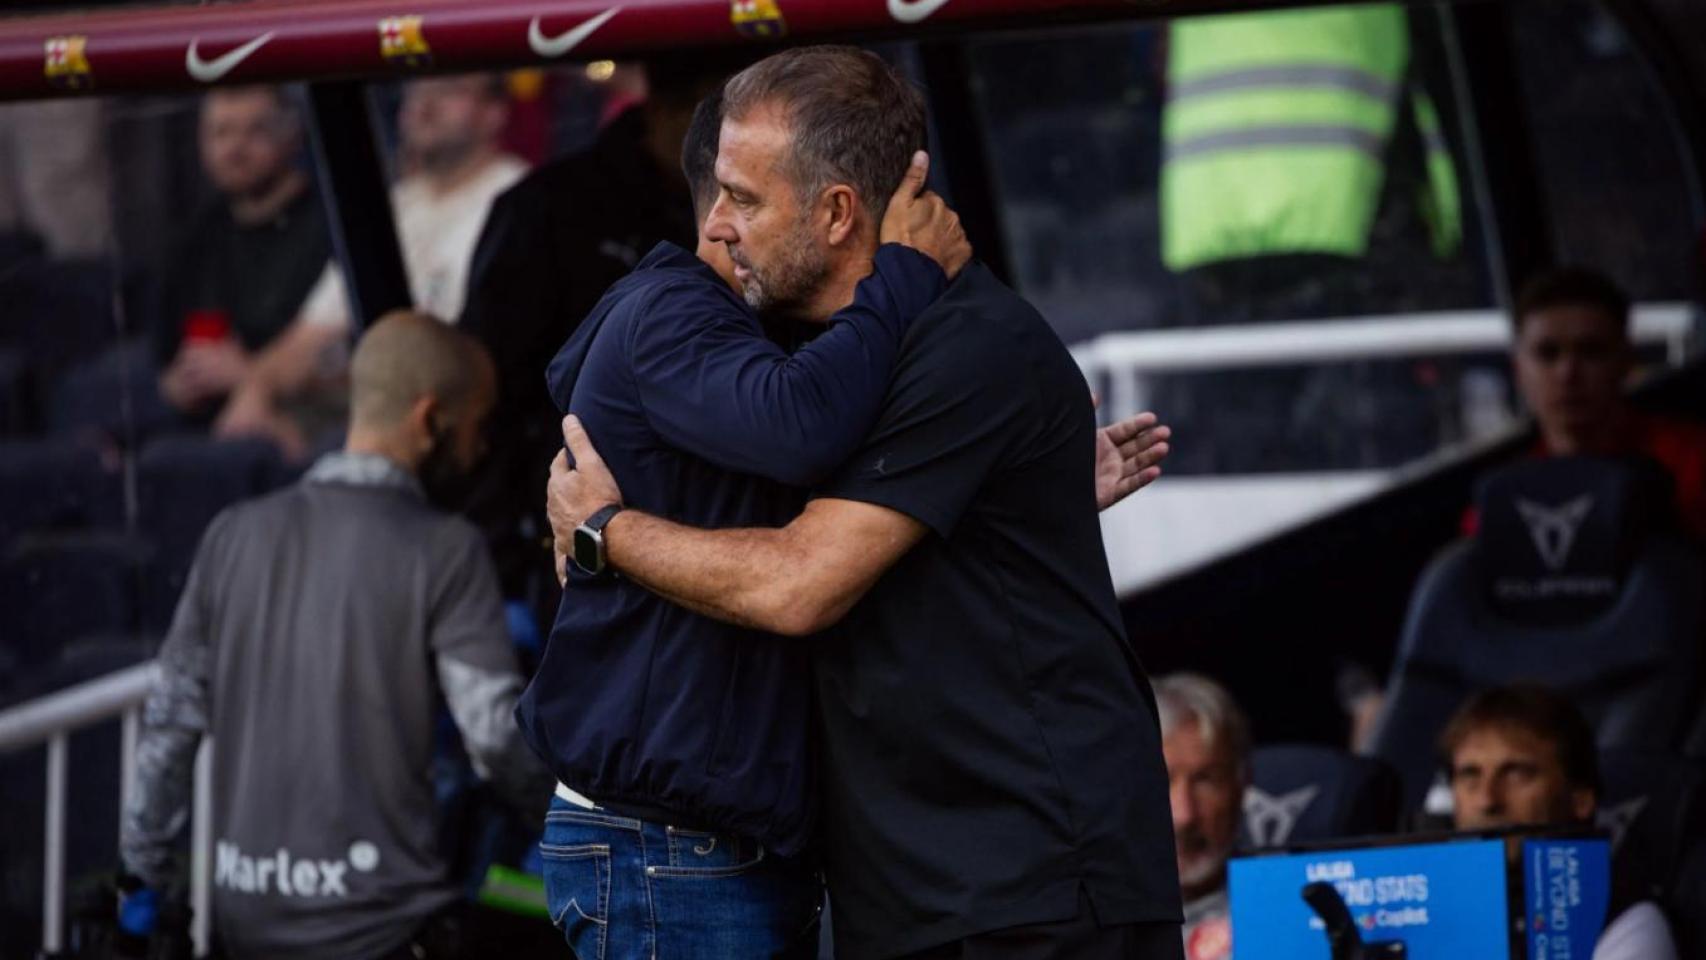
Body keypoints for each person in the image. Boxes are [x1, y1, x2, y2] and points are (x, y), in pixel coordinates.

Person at [544, 46, 1182, 960]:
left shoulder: (960, 348)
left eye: (747, 198)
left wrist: (605, 531)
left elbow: (797, 584)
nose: (718, 226)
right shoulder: (826, 356)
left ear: (838, 212)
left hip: (1025, 886)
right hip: (933, 882)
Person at [516, 83, 971, 958]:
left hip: (700, 848)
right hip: (664, 850)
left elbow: (829, 517)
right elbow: (800, 425)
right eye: (734, 198)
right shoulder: (669, 314)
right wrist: (907, 274)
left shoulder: (734, 338)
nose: (732, 221)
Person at [120, 312, 550, 959]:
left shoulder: (232, 534)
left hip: (245, 925)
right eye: (476, 425)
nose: (482, 449)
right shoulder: (446, 551)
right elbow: (492, 735)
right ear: (429, 417)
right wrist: (574, 823)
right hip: (388, 928)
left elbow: (169, 728)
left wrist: (140, 885)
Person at [459, 58, 737, 601]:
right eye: (734, 127)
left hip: (724, 504)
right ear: (672, 110)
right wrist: (521, 540)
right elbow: (489, 386)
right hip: (577, 516)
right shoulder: (548, 211)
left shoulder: (755, 206)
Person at [216, 75, 527, 459]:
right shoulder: (392, 202)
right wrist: (256, 391)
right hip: (358, 417)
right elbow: (311, 333)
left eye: (447, 92)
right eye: (415, 93)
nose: (424, 107)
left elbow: (469, 356)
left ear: (494, 113)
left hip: (451, 428)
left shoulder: (517, 197)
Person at [1442, 684, 1680, 960]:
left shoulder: (1623, 921)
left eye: (1516, 774)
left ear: (1580, 799)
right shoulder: (1420, 909)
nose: (1487, 800)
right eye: (1470, 775)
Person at [157, 86, 330, 417]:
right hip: (200, 419)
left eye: (255, 131)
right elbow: (163, 357)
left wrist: (251, 374)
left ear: (292, 136)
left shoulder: (330, 224)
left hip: (298, 412)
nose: (235, 149)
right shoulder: (196, 236)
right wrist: (175, 386)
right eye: (221, 133)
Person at [1505, 266, 1706, 539]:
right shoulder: (1509, 496)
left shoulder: (1692, 464)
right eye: (1548, 354)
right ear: (1518, 369)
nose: (1567, 373)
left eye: (1591, 351)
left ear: (1626, 360)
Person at [1156, 673, 1249, 960]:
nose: (1184, 815)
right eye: (1160, 780)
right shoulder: (1082, 919)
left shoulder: (1284, 912)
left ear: (1242, 785)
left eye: (1205, 780)